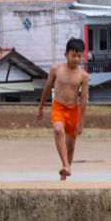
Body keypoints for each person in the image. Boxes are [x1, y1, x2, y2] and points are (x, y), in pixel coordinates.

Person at [37, 38, 89, 180]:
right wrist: (41, 107)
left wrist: (81, 121)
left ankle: (65, 174)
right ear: (66, 54)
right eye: (73, 55)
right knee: (58, 130)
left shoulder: (83, 76)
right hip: (58, 107)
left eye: (79, 56)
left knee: (70, 146)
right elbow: (47, 88)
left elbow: (83, 100)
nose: (77, 59)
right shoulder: (56, 69)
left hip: (74, 111)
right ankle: (66, 165)